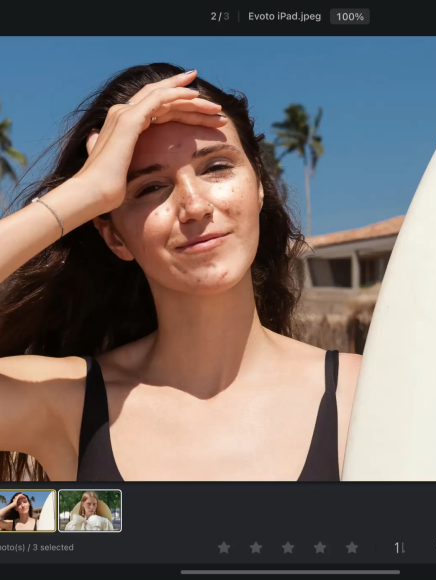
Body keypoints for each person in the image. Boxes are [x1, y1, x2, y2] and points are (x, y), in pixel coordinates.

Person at [0, 63, 361, 482]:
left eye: (216, 167)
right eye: (149, 188)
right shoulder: (69, 402)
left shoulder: (366, 392)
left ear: (260, 185)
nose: (194, 206)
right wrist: (87, 192)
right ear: (114, 236)